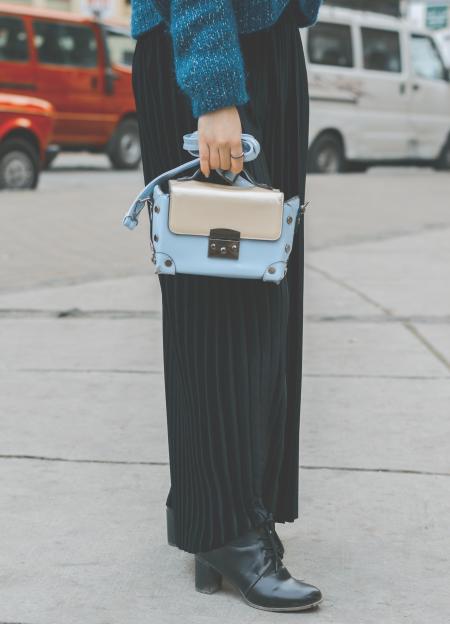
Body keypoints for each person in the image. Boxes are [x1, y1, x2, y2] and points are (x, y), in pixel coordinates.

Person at [130, 0, 323, 612]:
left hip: (265, 46)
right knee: (221, 302)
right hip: (214, 52)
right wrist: (213, 90)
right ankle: (228, 531)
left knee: (260, 289)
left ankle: (227, 516)